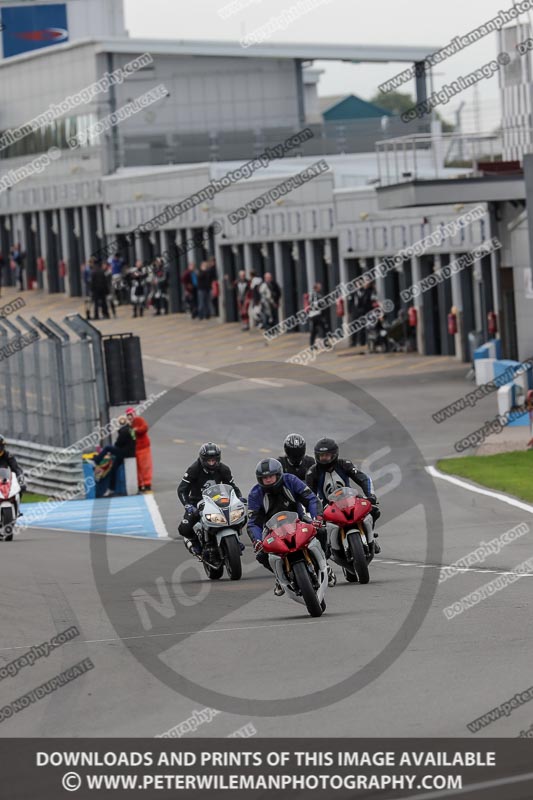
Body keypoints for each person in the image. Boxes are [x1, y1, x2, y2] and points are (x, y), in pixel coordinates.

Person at [247, 458, 334, 595]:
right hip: (271, 529)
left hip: (298, 520)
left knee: (321, 531)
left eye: (271, 476)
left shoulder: (291, 480)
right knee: (261, 555)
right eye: (265, 478)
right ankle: (278, 576)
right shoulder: (255, 494)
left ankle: (325, 563)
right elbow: (253, 522)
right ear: (260, 479)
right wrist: (257, 540)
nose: (268, 480)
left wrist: (316, 518)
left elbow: (311, 498)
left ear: (278, 474)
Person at [306, 438, 381, 555]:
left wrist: (371, 496)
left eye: (327, 455)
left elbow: (363, 478)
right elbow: (308, 495)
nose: (324, 458)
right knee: (319, 530)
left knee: (374, 510)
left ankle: (371, 537)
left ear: (334, 454)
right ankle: (328, 547)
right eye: (321, 456)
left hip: (350, 500)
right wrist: (313, 514)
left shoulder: (344, 464)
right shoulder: (312, 472)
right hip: (327, 506)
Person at [177, 443, 243, 557]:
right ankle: (195, 542)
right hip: (197, 502)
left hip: (218, 501)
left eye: (214, 460)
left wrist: (239, 499)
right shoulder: (194, 469)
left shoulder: (224, 469)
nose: (212, 463)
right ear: (203, 460)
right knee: (184, 527)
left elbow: (233, 488)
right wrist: (187, 505)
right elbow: (181, 489)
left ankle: (235, 538)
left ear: (218, 459)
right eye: (209, 461)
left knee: (241, 515)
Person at [93, 416, 136, 496]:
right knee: (113, 468)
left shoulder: (124, 431)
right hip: (129, 452)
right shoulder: (130, 429)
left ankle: (96, 460)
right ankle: (111, 488)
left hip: (124, 452)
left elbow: (118, 443)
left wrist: (111, 452)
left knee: (107, 448)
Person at [126, 406, 153, 492]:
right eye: (128, 415)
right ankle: (140, 484)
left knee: (145, 466)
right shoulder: (128, 425)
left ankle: (147, 483)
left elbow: (144, 428)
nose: (130, 417)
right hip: (134, 448)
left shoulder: (139, 420)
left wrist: (136, 430)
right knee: (137, 468)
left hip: (143, 447)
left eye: (131, 414)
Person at [308, 282, 330, 349]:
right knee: (325, 328)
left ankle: (312, 345)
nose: (321, 288)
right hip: (317, 315)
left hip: (312, 315)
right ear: (316, 288)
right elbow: (320, 306)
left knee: (314, 331)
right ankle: (326, 344)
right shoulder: (318, 296)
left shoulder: (311, 295)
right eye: (319, 287)